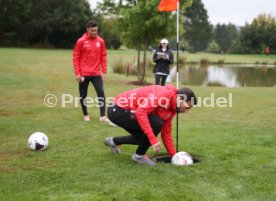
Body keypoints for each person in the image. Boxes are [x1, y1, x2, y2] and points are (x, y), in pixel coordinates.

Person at [104, 84, 197, 166]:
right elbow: (141, 112)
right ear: (180, 98)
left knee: (144, 138)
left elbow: (166, 134)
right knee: (156, 124)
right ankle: (139, 156)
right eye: (187, 107)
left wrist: (175, 156)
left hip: (127, 112)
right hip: (118, 109)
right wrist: (153, 139)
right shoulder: (164, 94)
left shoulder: (172, 111)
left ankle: (112, 141)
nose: (186, 111)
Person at [73, 20, 115, 126]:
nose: (94, 32)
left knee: (101, 92)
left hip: (96, 73)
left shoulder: (100, 41)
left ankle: (102, 116)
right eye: (92, 30)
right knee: (83, 95)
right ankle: (85, 114)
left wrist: (104, 71)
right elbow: (76, 57)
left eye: (96, 30)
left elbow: (103, 56)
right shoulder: (81, 41)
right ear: (87, 30)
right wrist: (77, 73)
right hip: (83, 74)